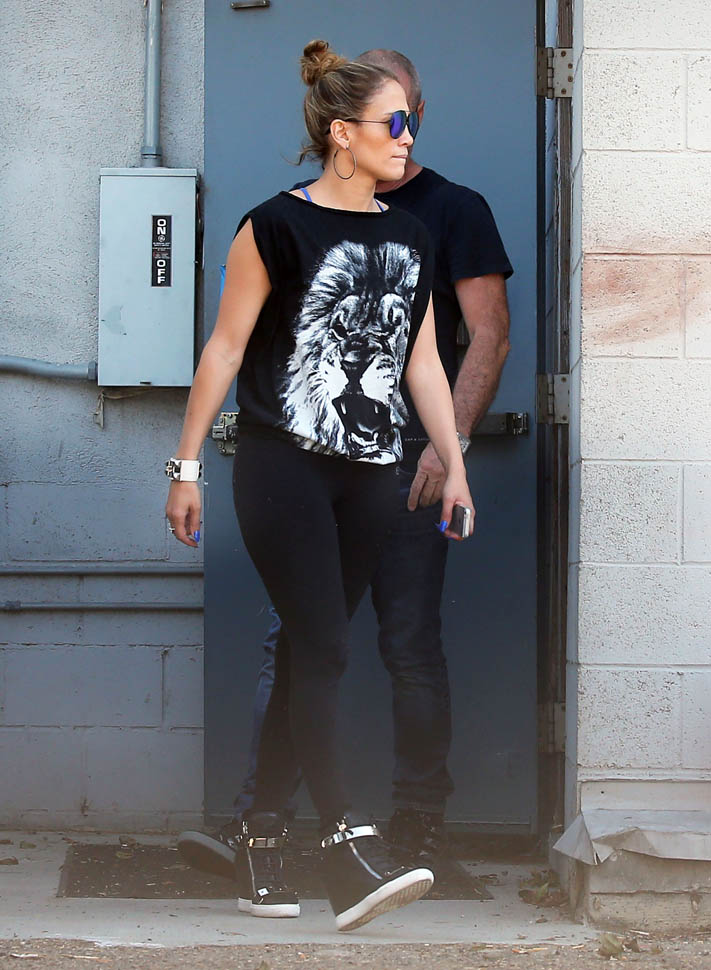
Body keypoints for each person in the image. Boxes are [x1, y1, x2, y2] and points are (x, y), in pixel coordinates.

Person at [179, 47, 512, 887]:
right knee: (318, 648)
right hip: (284, 466)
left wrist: (453, 461)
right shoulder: (272, 225)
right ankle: (339, 845)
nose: (407, 135)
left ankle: (266, 838)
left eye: (410, 119)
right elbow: (224, 349)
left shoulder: (416, 231)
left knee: (328, 650)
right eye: (392, 121)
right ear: (340, 133)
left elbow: (424, 362)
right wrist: (183, 466)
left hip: (376, 474)